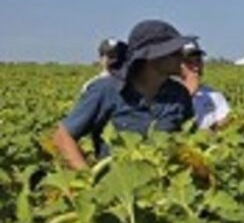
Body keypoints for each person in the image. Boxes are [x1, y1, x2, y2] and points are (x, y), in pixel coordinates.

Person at [53, 20, 196, 170]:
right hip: (117, 183)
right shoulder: (106, 90)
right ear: (152, 57)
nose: (182, 57)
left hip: (163, 182)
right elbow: (62, 137)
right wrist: (88, 177)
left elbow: (189, 142)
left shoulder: (179, 94)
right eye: (175, 53)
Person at [179, 41, 230, 130]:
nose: (196, 67)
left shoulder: (214, 94)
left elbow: (224, 123)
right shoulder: (169, 95)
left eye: (198, 61)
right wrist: (189, 94)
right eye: (189, 62)